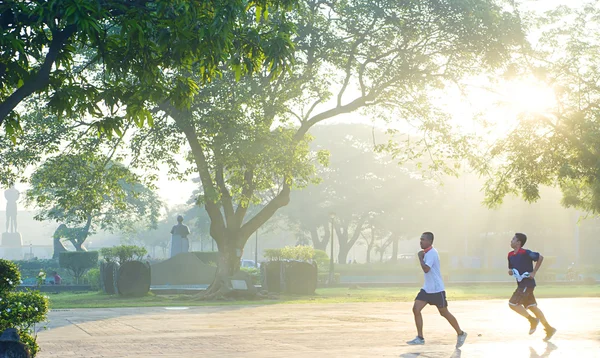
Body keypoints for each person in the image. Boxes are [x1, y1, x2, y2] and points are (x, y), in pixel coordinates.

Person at [407, 232, 467, 348]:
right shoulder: (427, 253)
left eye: (423, 239)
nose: (421, 241)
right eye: (420, 239)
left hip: (436, 289)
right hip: (426, 289)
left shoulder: (432, 253)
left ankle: (461, 333)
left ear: (429, 241)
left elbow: (426, 269)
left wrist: (420, 257)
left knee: (444, 312)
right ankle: (420, 337)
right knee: (416, 309)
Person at [507, 233, 556, 341]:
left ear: (518, 242)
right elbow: (511, 268)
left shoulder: (526, 252)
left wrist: (534, 272)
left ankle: (532, 320)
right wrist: (510, 272)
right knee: (532, 307)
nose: (511, 241)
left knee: (512, 304)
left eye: (513, 239)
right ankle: (549, 328)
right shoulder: (510, 255)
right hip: (521, 285)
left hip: (527, 285)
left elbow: (540, 257)